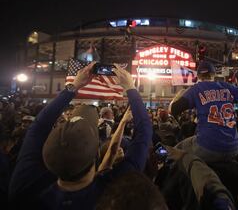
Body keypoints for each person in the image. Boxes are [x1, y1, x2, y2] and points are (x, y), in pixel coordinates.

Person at [9, 63, 152, 209]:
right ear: (95, 156)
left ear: (46, 154)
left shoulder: (25, 185)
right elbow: (145, 131)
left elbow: (38, 127)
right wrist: (130, 87)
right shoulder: (112, 194)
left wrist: (74, 86)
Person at [170, 60, 238, 162]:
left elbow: (173, 109)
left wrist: (179, 95)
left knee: (176, 150)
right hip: (233, 147)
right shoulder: (226, 86)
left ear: (198, 76)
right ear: (214, 74)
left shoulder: (196, 89)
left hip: (207, 147)